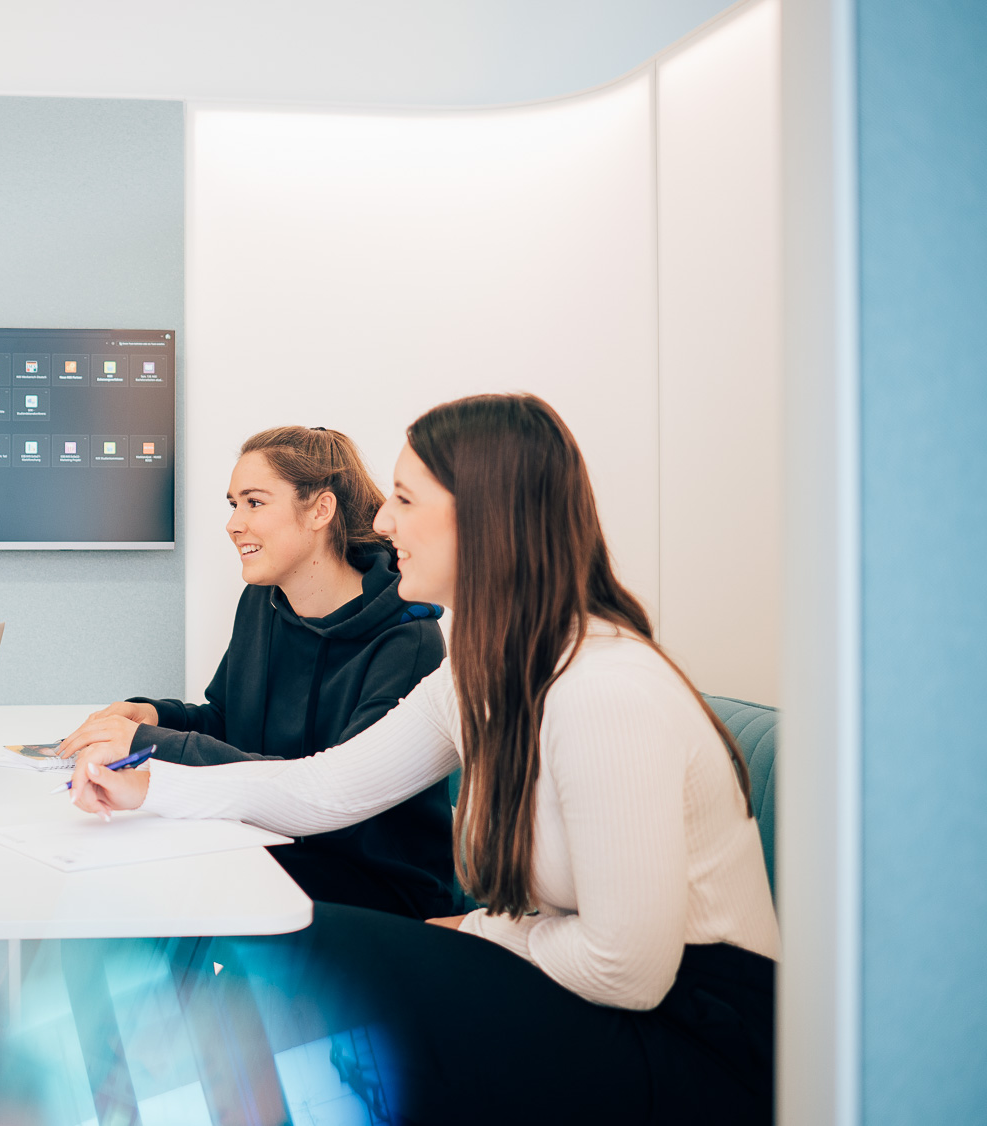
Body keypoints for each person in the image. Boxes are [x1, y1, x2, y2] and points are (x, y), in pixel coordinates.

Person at [68, 394, 780, 1124]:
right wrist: (152, 789)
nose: (379, 520)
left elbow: (627, 970)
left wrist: (479, 931)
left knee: (289, 961)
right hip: (593, 985)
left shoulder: (603, 688)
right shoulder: (481, 673)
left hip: (700, 1035)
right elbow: (327, 787)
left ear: (484, 516)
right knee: (264, 945)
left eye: (405, 499)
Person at [58, 425, 453, 918]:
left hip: (369, 883)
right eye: (232, 504)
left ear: (320, 510)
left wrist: (148, 747)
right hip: (270, 843)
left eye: (254, 502)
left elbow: (336, 804)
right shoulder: (262, 602)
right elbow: (228, 721)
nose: (233, 524)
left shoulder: (407, 638)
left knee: (152, 889)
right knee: (117, 870)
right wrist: (158, 719)